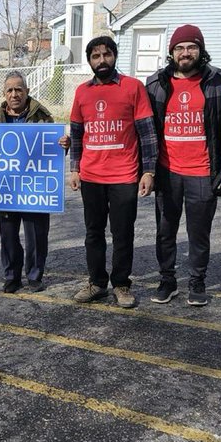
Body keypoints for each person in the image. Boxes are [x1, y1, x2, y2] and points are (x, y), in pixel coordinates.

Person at [145, 24, 221, 306]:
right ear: (172, 52)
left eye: (192, 47)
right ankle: (167, 280)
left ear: (201, 50)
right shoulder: (156, 84)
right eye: (180, 48)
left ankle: (197, 281)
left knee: (199, 233)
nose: (185, 53)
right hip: (167, 170)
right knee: (165, 231)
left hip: (203, 172)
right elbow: (144, 129)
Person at [68, 35, 156, 308]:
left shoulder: (133, 87)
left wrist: (148, 171)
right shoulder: (82, 91)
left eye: (106, 54)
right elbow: (77, 133)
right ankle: (97, 283)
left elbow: (147, 133)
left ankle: (121, 284)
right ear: (90, 61)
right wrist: (74, 168)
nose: (101, 60)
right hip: (91, 176)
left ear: (115, 56)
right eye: (95, 56)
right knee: (93, 233)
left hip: (124, 175)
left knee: (122, 233)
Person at [0, 71, 56, 293]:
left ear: (27, 91)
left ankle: (35, 276)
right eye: (10, 90)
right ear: (4, 93)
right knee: (7, 234)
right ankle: (12, 276)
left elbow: (50, 155)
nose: (14, 94)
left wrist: (60, 145)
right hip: (6, 187)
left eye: (19, 89)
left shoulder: (43, 117)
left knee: (36, 233)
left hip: (35, 187)